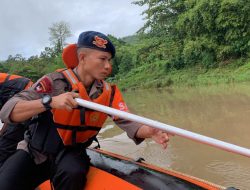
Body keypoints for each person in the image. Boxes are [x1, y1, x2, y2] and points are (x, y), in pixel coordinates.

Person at [0, 31, 170, 190]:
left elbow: (128, 122)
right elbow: (8, 111)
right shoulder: (53, 82)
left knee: (73, 175)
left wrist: (148, 131)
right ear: (82, 58)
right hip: (35, 152)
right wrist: (50, 102)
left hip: (71, 152)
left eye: (109, 60)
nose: (108, 66)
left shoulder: (109, 93)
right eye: (102, 59)